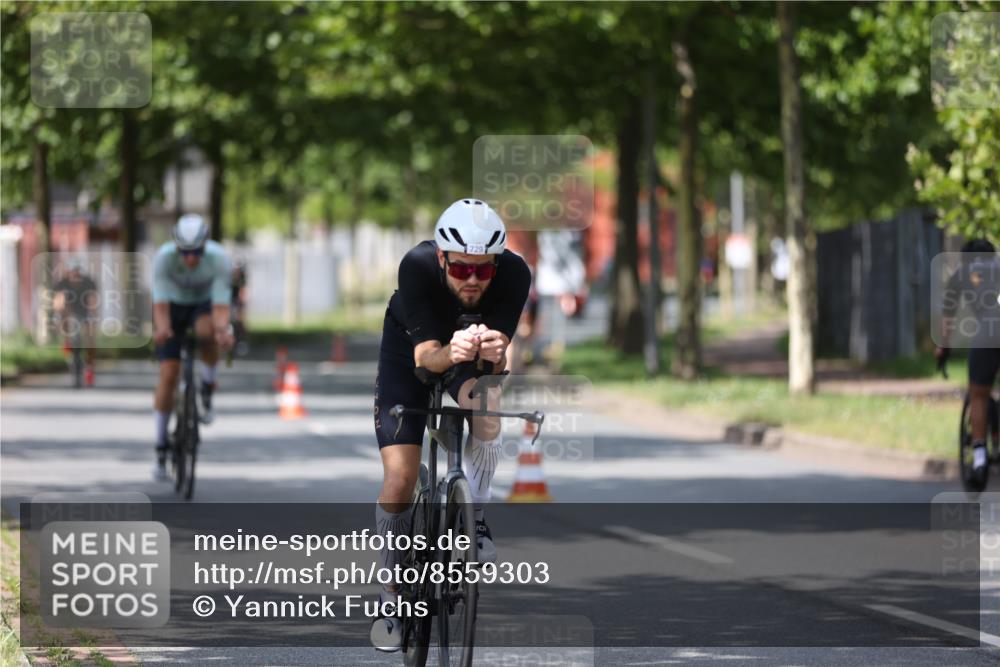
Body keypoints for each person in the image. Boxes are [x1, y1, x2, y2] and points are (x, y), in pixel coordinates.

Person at [370, 198, 531, 651]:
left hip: (469, 356)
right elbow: (426, 361)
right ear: (443, 258)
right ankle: (391, 591)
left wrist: (497, 358)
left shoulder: (515, 274)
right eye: (462, 270)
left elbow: (500, 363)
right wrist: (452, 351)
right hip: (411, 351)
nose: (474, 280)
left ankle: (475, 513)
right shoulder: (417, 267)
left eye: (484, 270)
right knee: (401, 477)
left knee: (487, 400)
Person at [151, 214, 234, 481]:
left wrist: (223, 331)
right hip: (172, 307)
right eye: (184, 252)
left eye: (196, 252)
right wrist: (163, 330)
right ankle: (161, 446)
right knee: (169, 372)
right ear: (176, 247)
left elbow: (221, 307)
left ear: (205, 246)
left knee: (207, 332)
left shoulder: (218, 258)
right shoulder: (164, 258)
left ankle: (207, 387)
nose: (190, 259)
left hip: (202, 304)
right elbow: (160, 306)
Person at [936, 238, 1000, 482]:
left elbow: (948, 315)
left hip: (987, 334)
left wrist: (943, 348)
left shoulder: (962, 274)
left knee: (979, 395)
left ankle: (980, 460)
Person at [52, 258, 99, 386]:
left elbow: (92, 301)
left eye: (77, 271)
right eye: (73, 271)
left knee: (90, 339)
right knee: (64, 322)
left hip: (85, 312)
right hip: (69, 314)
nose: (75, 274)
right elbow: (57, 302)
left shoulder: (88, 282)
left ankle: (89, 365)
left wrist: (92, 316)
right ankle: (68, 345)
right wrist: (60, 316)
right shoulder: (63, 283)